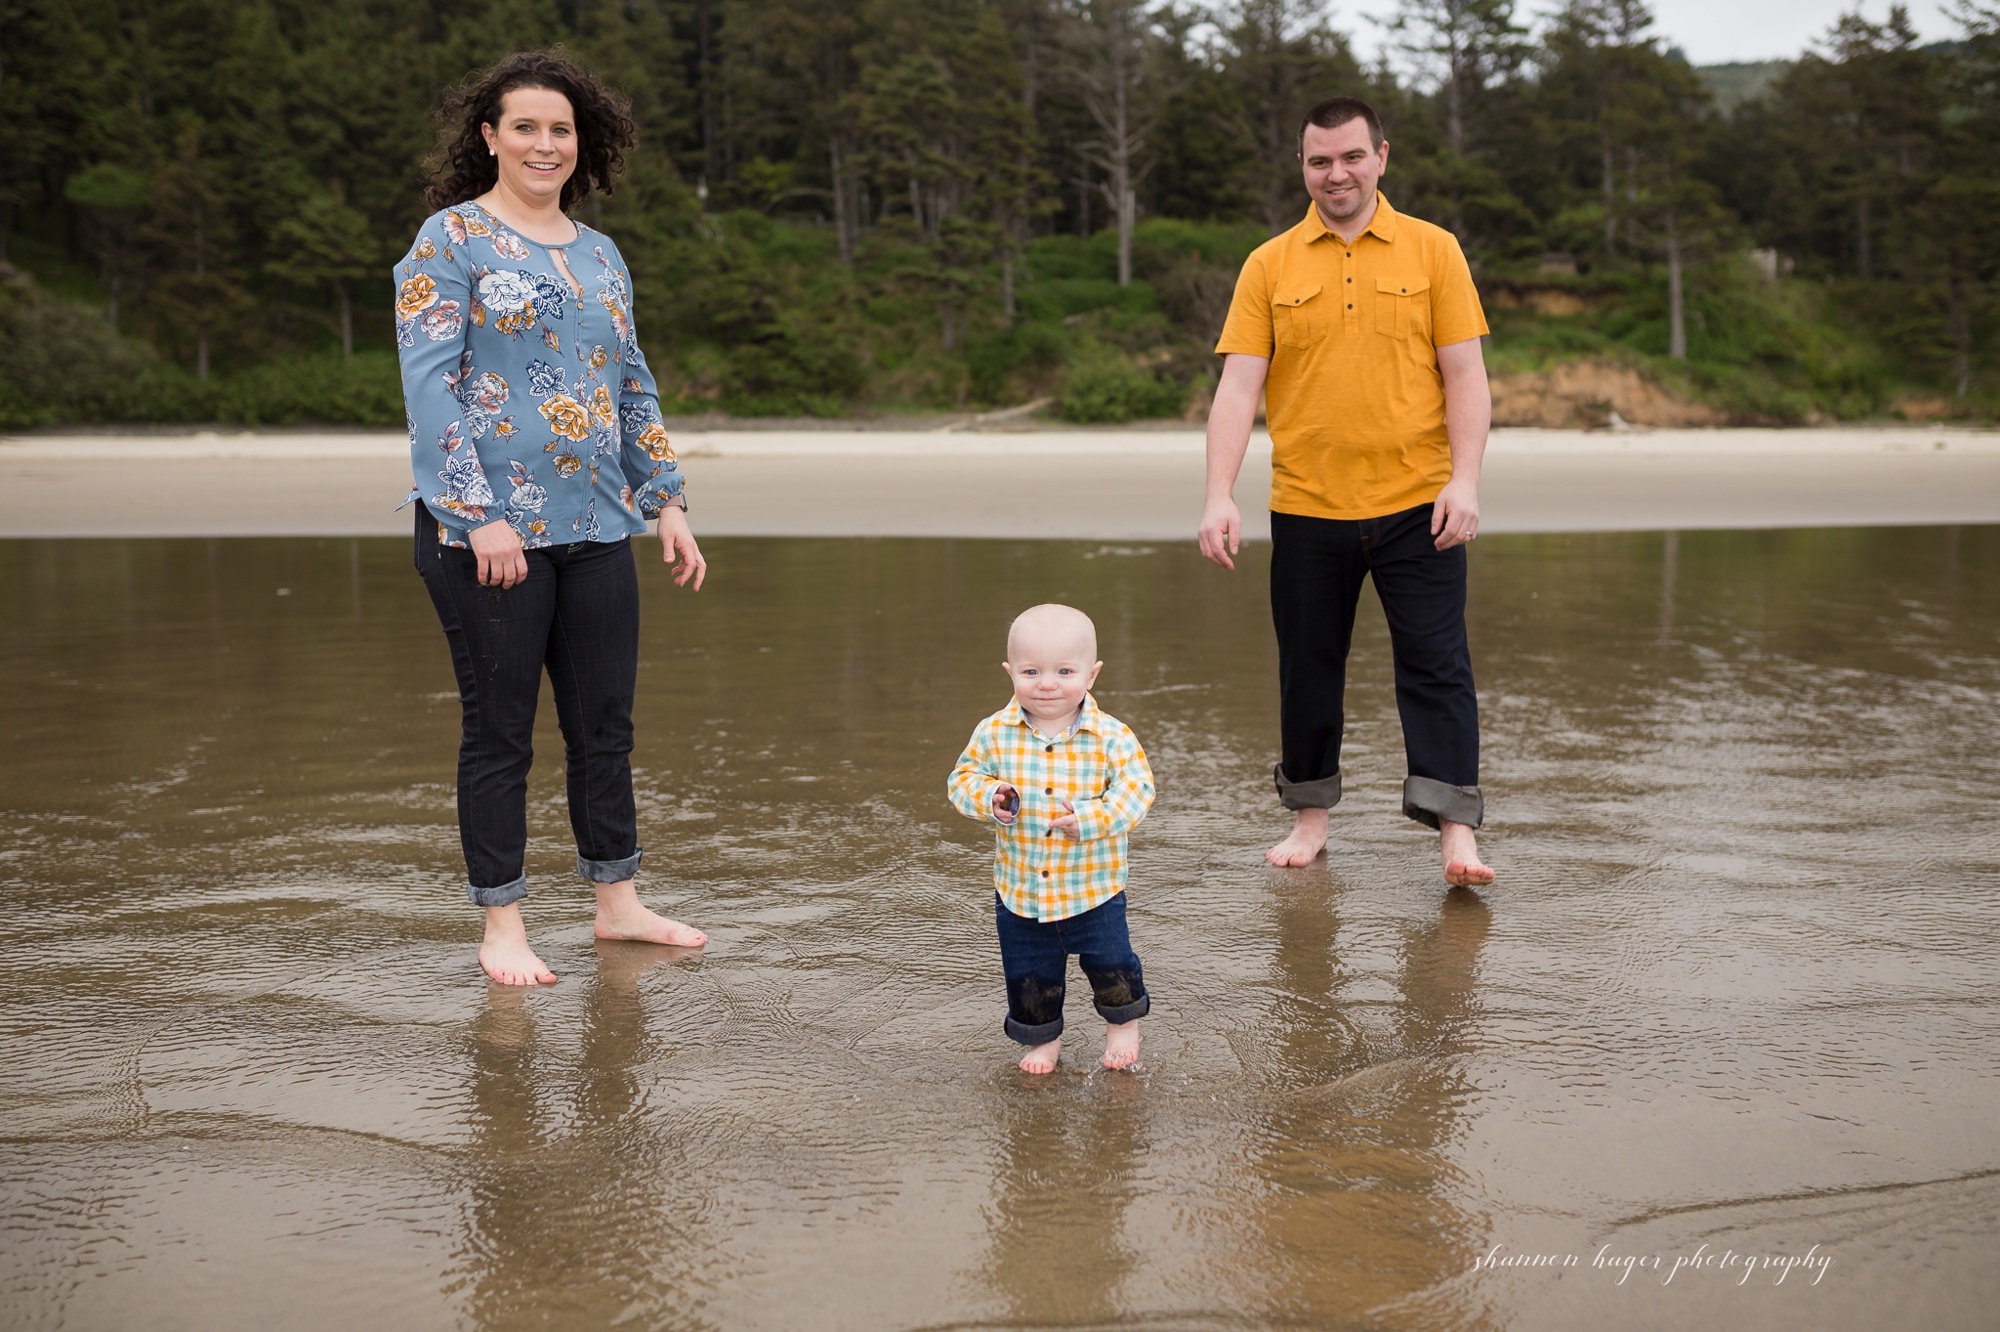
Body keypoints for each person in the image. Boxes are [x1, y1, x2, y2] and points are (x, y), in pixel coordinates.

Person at [397, 50, 709, 986]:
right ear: (488, 136)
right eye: (524, 126)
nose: (544, 143)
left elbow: (629, 382)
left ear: (584, 143)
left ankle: (618, 904)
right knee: (499, 736)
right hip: (485, 537)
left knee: (604, 726)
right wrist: (476, 514)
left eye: (560, 128)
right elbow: (430, 391)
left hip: (598, 528)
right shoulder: (448, 241)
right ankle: (503, 926)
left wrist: (667, 500)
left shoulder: (601, 254)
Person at [1197, 95, 1497, 888]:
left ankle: (1456, 836)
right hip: (1306, 505)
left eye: (1351, 157)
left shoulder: (1434, 251)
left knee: (1437, 668)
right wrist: (1218, 493)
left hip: (1418, 503)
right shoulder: (1269, 263)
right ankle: (1310, 819)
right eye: (1320, 160)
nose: (1337, 173)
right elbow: (1237, 389)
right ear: (1303, 166)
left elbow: (1466, 375)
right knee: (1309, 667)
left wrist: (1465, 482)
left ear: (1382, 157)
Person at [948, 604, 1157, 1074]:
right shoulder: (994, 733)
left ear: (1092, 673)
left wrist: (1092, 817)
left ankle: (1122, 1024)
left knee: (1111, 964)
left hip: (1093, 888)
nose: (1047, 683)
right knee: (1030, 975)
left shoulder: (1112, 737)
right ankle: (1043, 1039)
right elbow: (961, 779)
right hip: (1022, 890)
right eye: (1031, 671)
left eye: (1064, 671)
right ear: (1010, 672)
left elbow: (1138, 791)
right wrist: (990, 796)